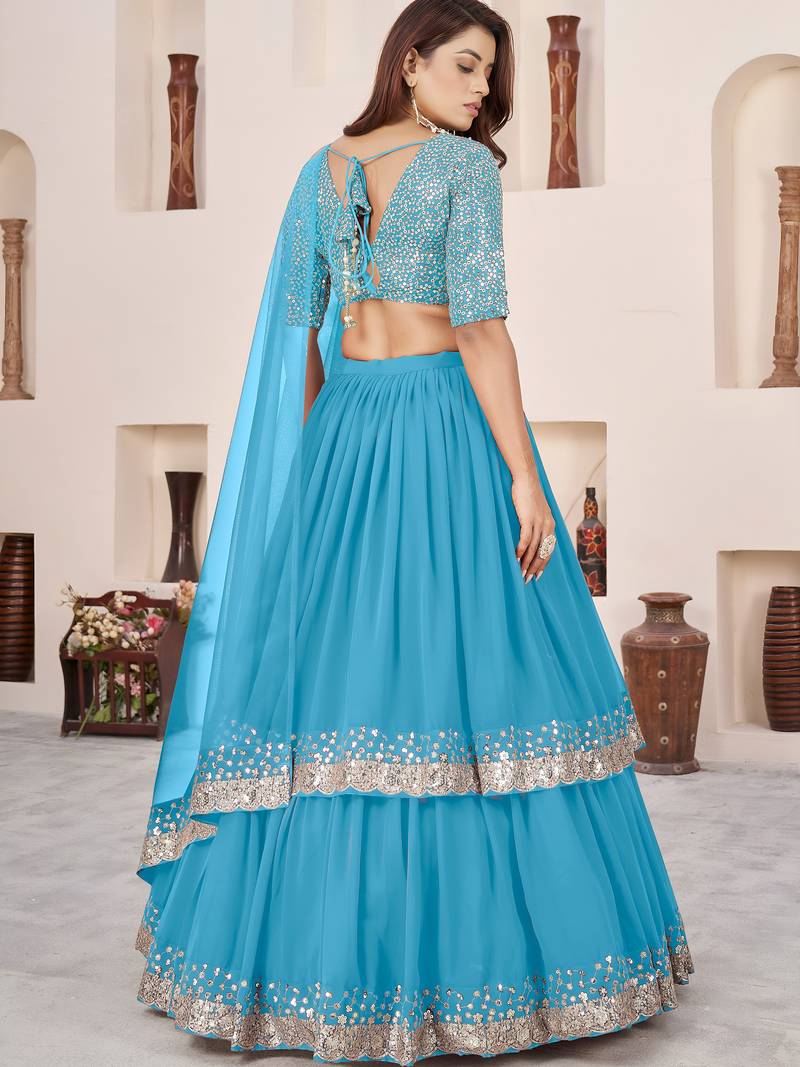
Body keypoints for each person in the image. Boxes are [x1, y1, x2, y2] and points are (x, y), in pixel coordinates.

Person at [133, 1, 694, 1061]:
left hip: (345, 430)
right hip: (440, 428)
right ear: (411, 62)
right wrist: (524, 479)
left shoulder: (322, 169)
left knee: (341, 680)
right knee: (470, 672)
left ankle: (299, 972)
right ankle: (480, 975)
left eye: (490, 74)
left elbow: (303, 344)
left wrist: (312, 471)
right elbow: (478, 330)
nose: (482, 90)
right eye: (467, 66)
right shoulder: (463, 170)